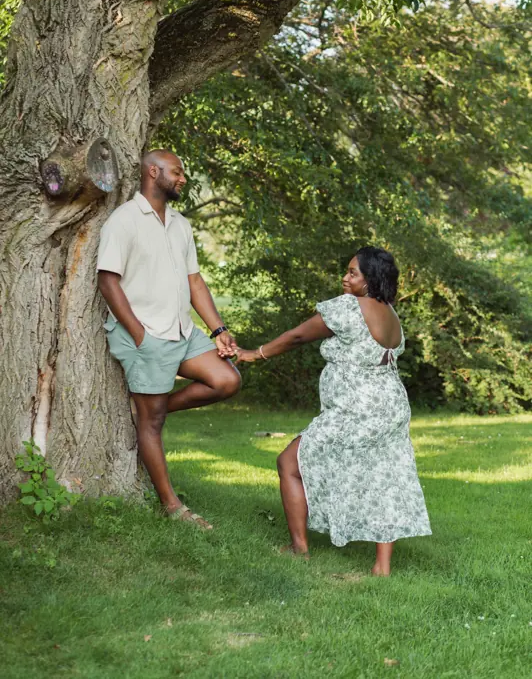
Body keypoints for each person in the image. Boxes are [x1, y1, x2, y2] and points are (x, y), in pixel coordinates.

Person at [236, 247, 431, 575]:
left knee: (289, 463)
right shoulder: (391, 314)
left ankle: (299, 549)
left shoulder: (349, 307)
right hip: (391, 406)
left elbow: (298, 336)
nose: (345, 277)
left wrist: (255, 354)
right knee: (386, 477)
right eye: (347, 270)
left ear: (370, 279)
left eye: (353, 272)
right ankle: (381, 567)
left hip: (356, 408)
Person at [97, 150, 241, 528]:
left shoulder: (179, 223)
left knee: (227, 380)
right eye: (177, 172)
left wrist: (219, 330)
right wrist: (140, 335)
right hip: (144, 334)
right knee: (153, 423)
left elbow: (194, 281)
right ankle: (173, 508)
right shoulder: (124, 220)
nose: (183, 179)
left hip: (181, 330)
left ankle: (144, 410)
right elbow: (107, 280)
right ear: (153, 171)